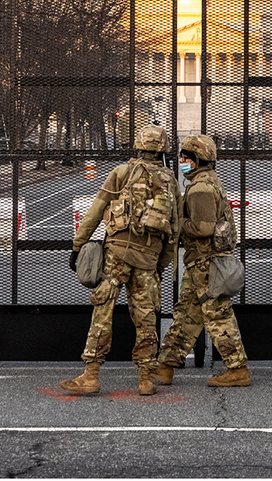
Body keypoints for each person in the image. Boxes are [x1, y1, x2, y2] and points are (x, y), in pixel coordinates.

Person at [61, 125, 180, 396]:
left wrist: (79, 245)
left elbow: (95, 210)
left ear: (138, 145)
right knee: (146, 317)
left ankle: (91, 375)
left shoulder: (122, 173)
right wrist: (161, 263)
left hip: (116, 253)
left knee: (103, 311)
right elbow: (174, 230)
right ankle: (145, 379)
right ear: (162, 150)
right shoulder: (170, 180)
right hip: (149, 258)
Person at [153, 134, 250, 387]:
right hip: (202, 262)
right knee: (187, 314)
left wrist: (176, 222)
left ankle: (237, 369)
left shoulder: (201, 188)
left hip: (205, 263)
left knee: (217, 315)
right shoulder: (206, 182)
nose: (182, 160)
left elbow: (203, 227)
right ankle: (165, 366)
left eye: (186, 157)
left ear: (197, 160)